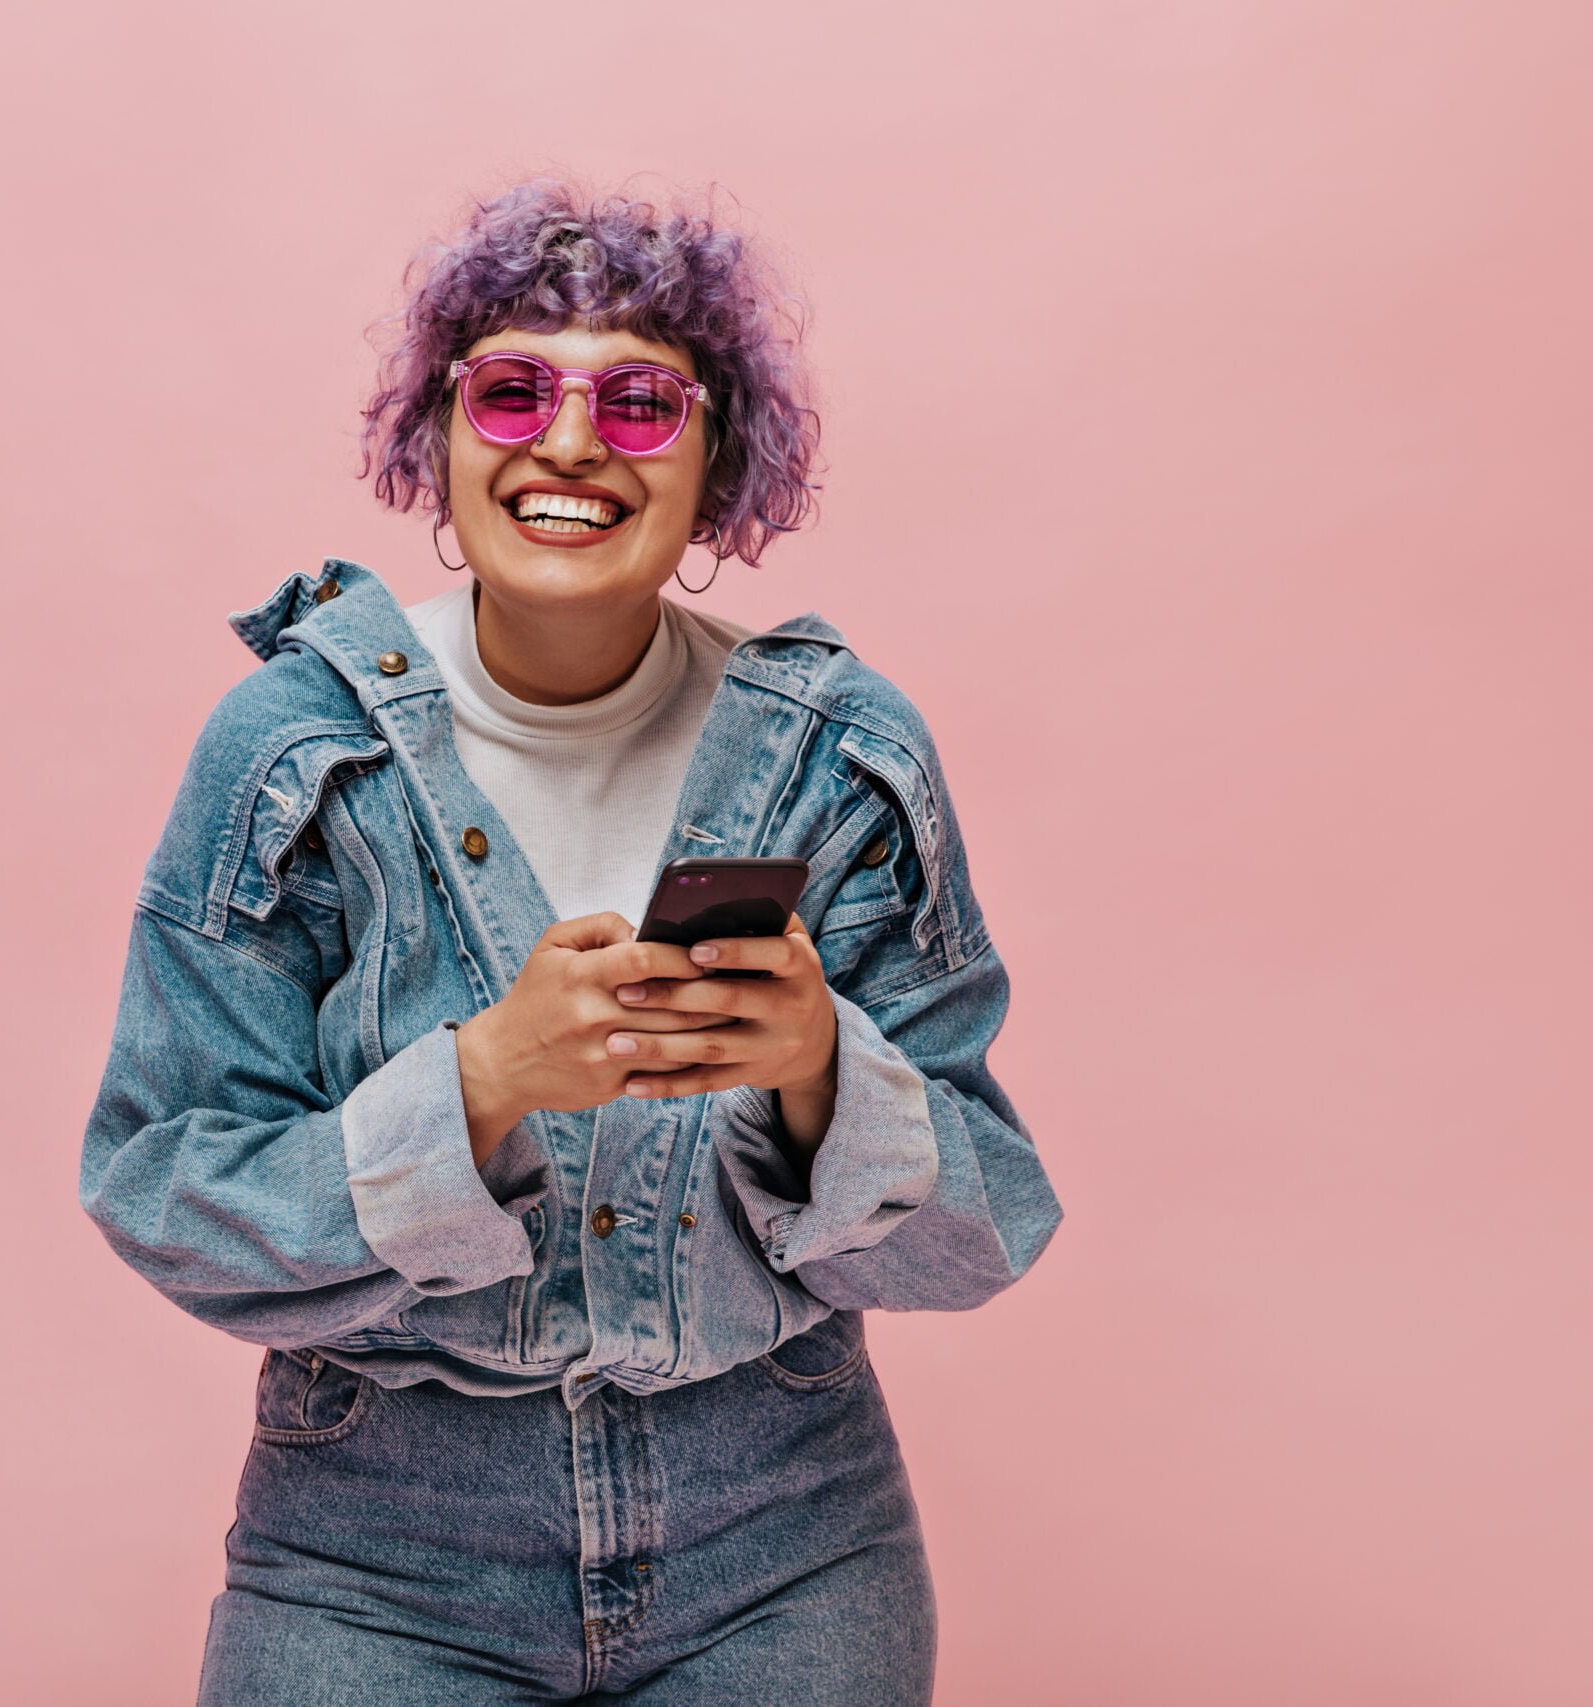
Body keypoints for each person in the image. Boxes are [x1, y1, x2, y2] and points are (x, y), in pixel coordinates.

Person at [78, 177, 1064, 1704]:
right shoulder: (293, 750)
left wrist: (821, 1073)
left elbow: (986, 1226)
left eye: (642, 403)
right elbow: (161, 1189)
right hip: (372, 1561)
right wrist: (477, 1083)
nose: (570, 442)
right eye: (514, 388)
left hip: (789, 1550)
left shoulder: (842, 753)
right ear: (441, 432)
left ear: (720, 455)